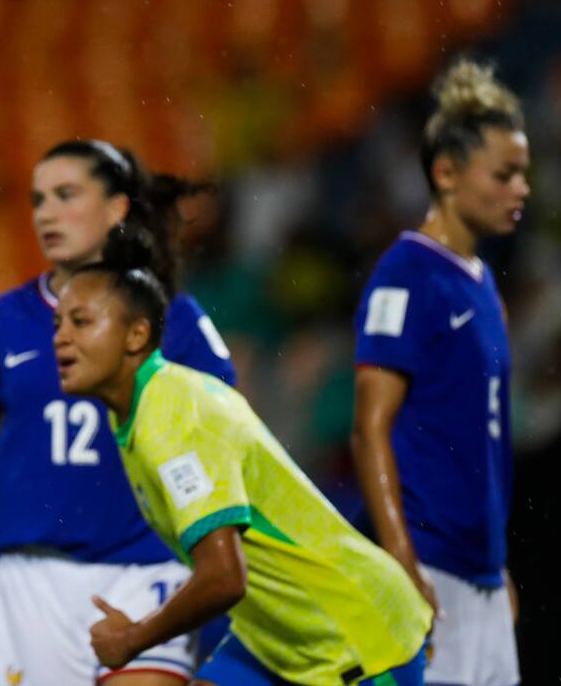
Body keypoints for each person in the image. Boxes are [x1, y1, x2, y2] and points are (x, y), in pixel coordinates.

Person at [0, 139, 236, 685]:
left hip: (149, 566)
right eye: (38, 199)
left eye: (66, 194)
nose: (47, 212)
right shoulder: (7, 318)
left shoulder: (171, 316)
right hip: (35, 579)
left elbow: (226, 425)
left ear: (117, 208)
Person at [53, 258, 433, 686]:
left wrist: (134, 639)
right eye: (58, 323)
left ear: (137, 334)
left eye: (80, 322)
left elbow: (223, 578)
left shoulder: (173, 418)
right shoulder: (136, 410)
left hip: (353, 638)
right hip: (274, 640)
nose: (61, 338)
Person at [351, 60, 528, 686]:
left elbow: (487, 442)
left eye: (523, 174)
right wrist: (401, 560)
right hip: (430, 573)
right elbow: (370, 428)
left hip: (480, 576)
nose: (521, 190)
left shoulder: (486, 290)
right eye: (504, 174)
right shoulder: (407, 275)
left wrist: (497, 567)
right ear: (447, 173)